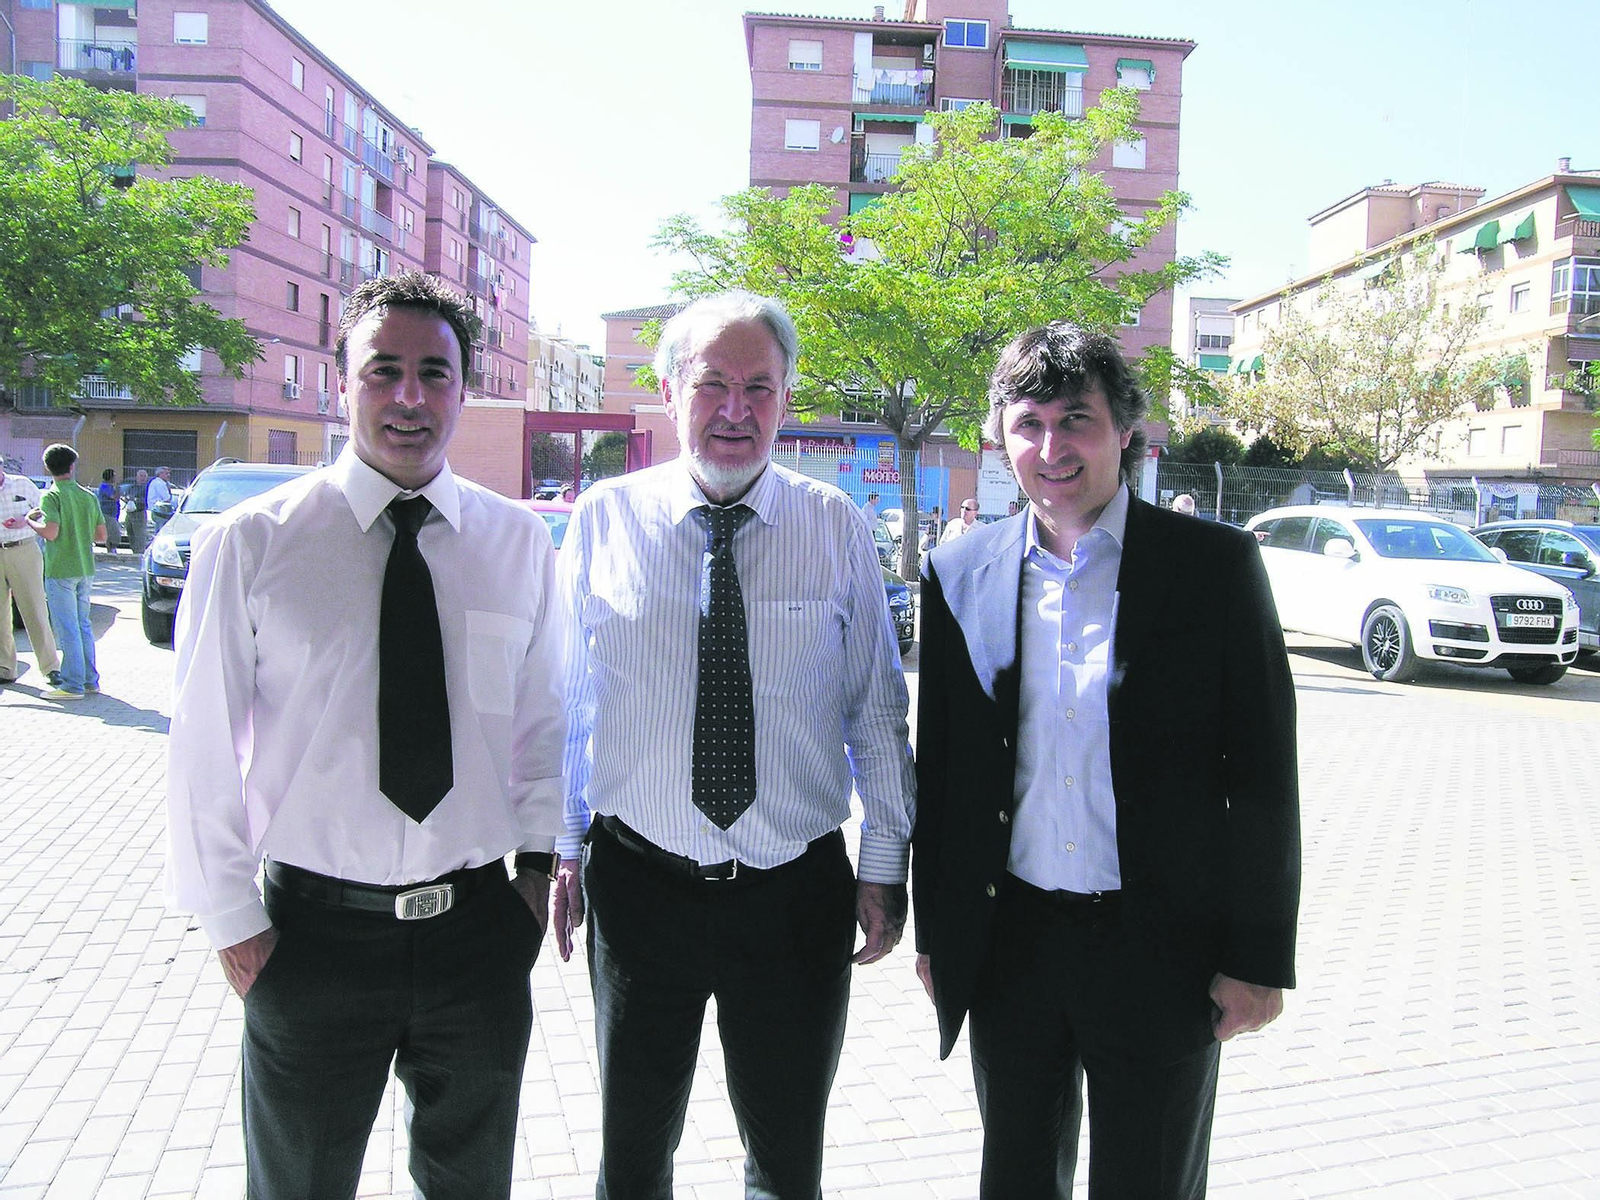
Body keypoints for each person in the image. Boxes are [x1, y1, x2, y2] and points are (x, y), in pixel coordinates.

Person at [164, 272, 569, 1200]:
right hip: (311, 943)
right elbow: (200, 747)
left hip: (477, 935)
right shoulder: (253, 543)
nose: (409, 397)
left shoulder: (517, 543)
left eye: (435, 373)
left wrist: (533, 875)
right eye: (383, 370)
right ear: (339, 381)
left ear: (464, 388)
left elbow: (544, 720)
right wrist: (232, 921)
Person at [912, 322, 1301, 1200]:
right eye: (1029, 423)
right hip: (1012, 946)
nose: (1052, 448)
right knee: (1016, 1179)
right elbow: (944, 769)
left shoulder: (1214, 568)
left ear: (1124, 430)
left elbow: (1264, 775)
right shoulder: (959, 572)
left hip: (1158, 948)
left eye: (1076, 420)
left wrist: (1258, 955)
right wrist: (940, 929)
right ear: (1000, 435)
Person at [553, 291, 915, 1200]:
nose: (735, 409)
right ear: (670, 390)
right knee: (631, 1163)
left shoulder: (833, 525)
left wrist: (884, 866)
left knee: (787, 1166)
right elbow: (568, 704)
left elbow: (876, 708)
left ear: (787, 399)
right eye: (712, 383)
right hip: (640, 890)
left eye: (760, 387)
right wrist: (561, 847)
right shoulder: (603, 519)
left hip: (793, 896)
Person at [28, 445, 104, 700]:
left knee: (67, 627)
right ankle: (89, 680)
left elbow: (51, 533)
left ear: (47, 468)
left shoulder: (51, 496)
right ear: (72, 466)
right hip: (85, 567)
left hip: (60, 568)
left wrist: (30, 521)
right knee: (83, 625)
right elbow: (101, 535)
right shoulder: (88, 496)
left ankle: (72, 685)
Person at [0, 466, 62, 688]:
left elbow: (43, 511)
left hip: (23, 548)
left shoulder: (22, 484)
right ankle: (5, 667)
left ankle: (51, 668)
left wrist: (24, 520)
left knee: (35, 609)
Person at [123, 468, 150, 554]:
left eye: (144, 476)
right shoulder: (131, 487)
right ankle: (134, 551)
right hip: (130, 512)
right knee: (130, 532)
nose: (143, 478)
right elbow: (126, 495)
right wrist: (127, 498)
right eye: (141, 476)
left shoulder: (147, 488)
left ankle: (140, 553)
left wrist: (135, 499)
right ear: (137, 477)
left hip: (139, 512)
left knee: (139, 534)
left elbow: (146, 500)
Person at [96, 467, 122, 554]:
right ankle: (112, 549)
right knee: (114, 533)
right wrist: (118, 487)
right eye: (114, 476)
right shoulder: (105, 487)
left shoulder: (109, 487)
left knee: (110, 533)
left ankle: (111, 551)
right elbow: (114, 497)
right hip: (108, 514)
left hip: (112, 514)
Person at [146, 466, 174, 532]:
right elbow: (167, 498)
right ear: (160, 474)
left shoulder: (156, 482)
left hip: (157, 511)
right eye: (166, 473)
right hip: (161, 511)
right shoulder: (159, 483)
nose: (168, 475)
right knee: (162, 531)